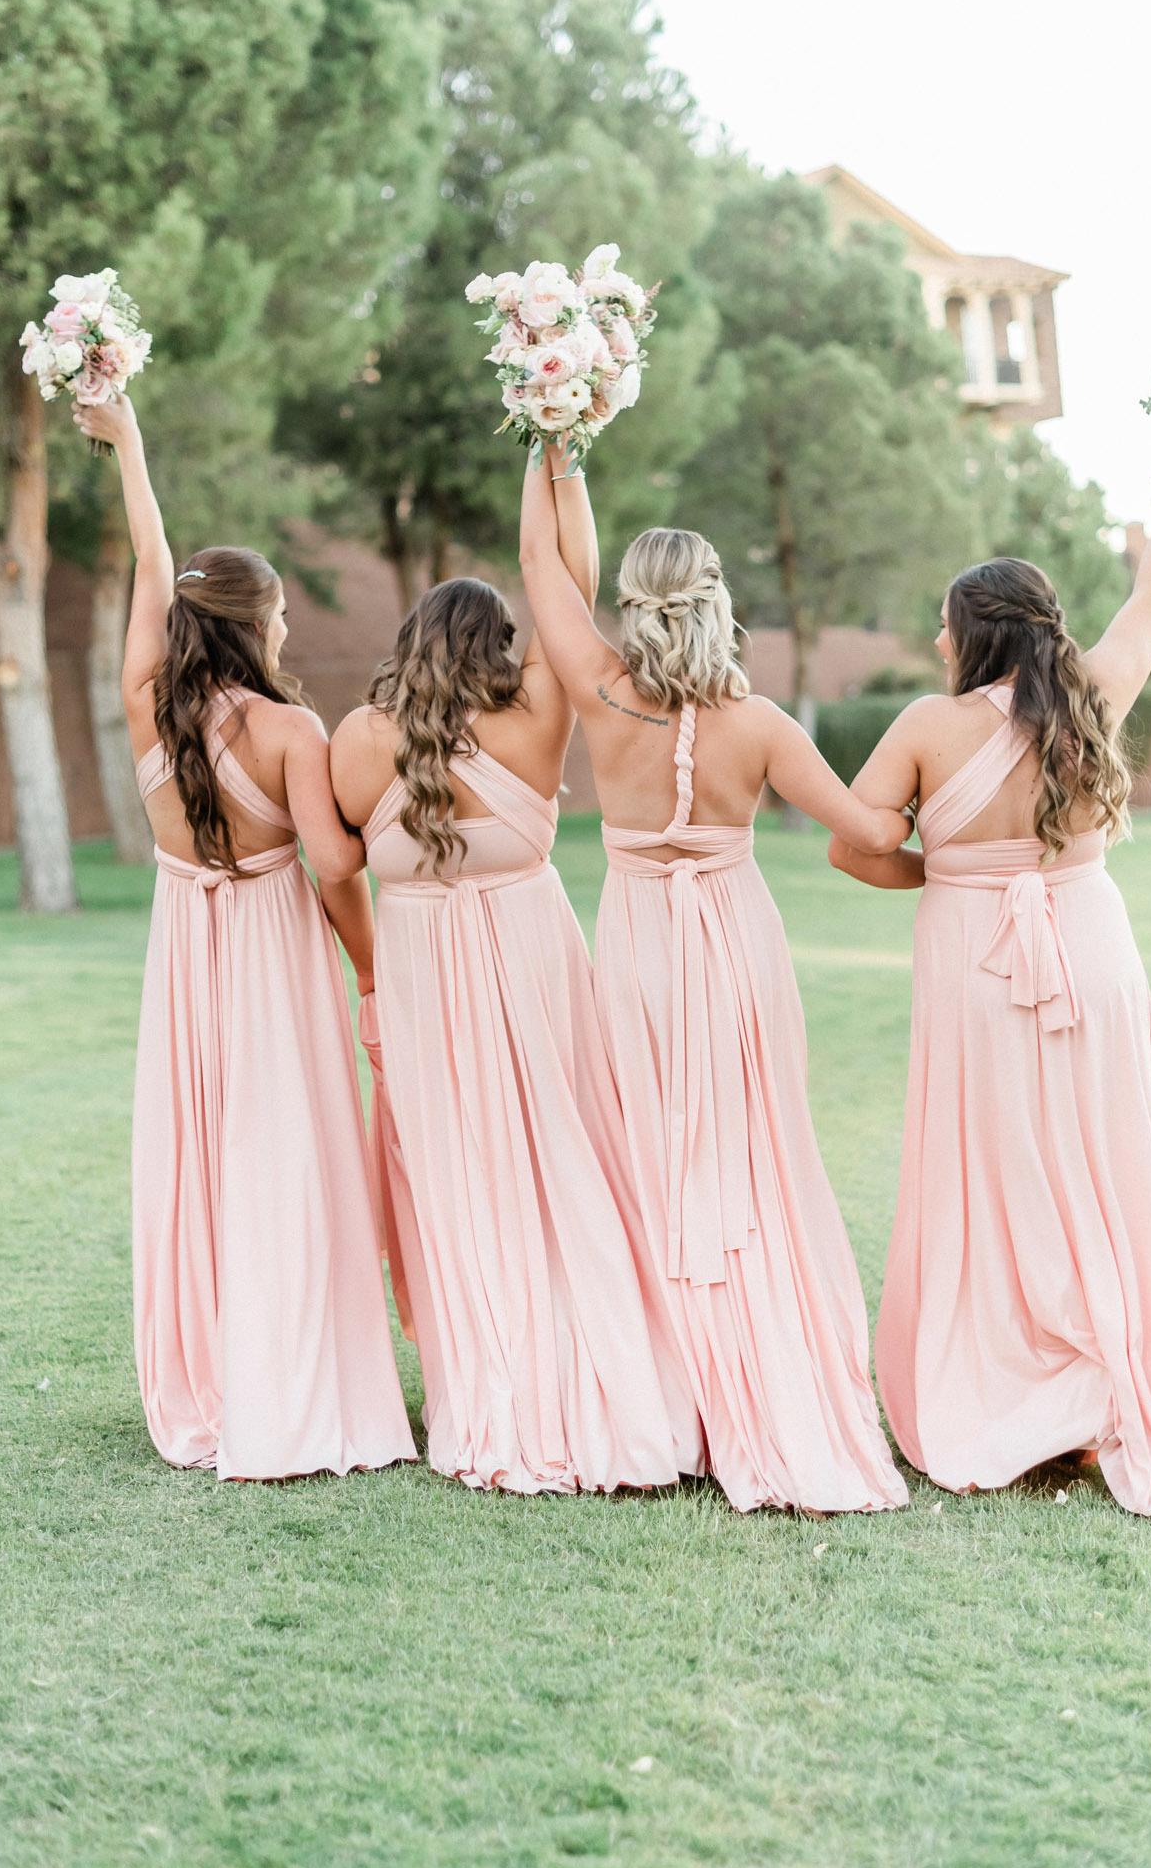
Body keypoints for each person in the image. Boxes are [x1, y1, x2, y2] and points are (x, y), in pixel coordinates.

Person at [832, 437, 1151, 1522]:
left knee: (990, 1171)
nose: (934, 637)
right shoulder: (1093, 694)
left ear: (974, 634)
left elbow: (851, 846)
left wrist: (952, 873)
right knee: (1102, 1164)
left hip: (974, 960)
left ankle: (1010, 1390)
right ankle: (1101, 1386)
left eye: (944, 622)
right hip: (1091, 948)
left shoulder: (926, 725)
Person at [517, 442, 912, 1515]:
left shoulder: (602, 693)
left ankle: (675, 1397)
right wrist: (958, 838)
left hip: (638, 950)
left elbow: (541, 565)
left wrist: (554, 438)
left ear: (634, 605)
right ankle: (764, 1376)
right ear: (716, 602)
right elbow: (870, 828)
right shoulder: (762, 726)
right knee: (753, 1157)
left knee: (650, 1154)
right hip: (736, 949)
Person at [328, 468, 696, 1496]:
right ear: (498, 648)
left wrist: (369, 975)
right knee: (567, 1156)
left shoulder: (355, 740)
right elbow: (570, 581)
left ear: (408, 644)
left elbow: (333, 867)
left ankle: (492, 1378)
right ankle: (600, 1370)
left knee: (460, 1176)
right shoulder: (538, 711)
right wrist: (556, 454)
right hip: (534, 962)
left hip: (419, 976)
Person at [74, 390, 415, 1483]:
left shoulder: (144, 698)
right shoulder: (289, 727)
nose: (286, 632)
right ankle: (293, 1373)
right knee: (287, 1148)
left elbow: (151, 556)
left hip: (185, 942)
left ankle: (214, 1369)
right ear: (256, 623)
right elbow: (334, 866)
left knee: (202, 1148)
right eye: (279, 617)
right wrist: (374, 957)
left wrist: (130, 439)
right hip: (270, 945)